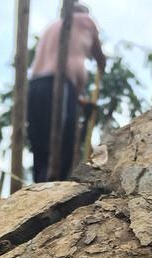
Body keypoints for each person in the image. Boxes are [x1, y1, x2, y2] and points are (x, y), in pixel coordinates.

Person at [27, 2, 106, 182]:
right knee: (64, 147)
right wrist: (102, 62)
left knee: (40, 146)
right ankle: (53, 189)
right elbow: (98, 54)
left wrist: (80, 101)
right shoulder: (84, 20)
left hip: (36, 87)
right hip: (60, 84)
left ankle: (39, 187)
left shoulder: (52, 27)